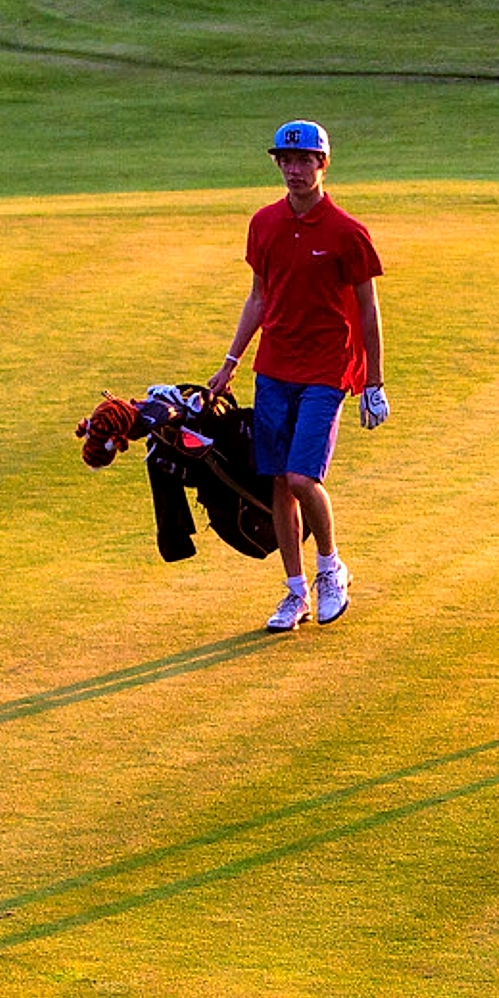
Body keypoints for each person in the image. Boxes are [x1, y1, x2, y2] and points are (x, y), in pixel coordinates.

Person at [206, 120, 388, 633]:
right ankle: (295, 593)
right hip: (274, 369)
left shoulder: (348, 233)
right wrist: (231, 361)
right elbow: (259, 296)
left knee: (302, 477)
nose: (293, 169)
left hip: (328, 370)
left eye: (304, 160)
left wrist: (374, 382)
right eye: (285, 161)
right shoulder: (263, 224)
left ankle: (332, 569)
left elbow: (368, 310)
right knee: (278, 485)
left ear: (323, 164)